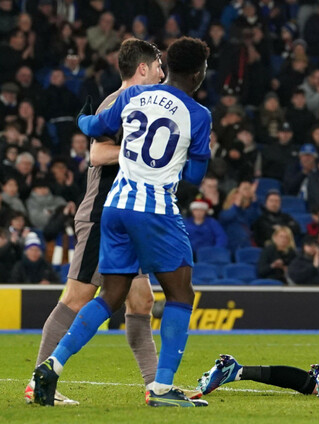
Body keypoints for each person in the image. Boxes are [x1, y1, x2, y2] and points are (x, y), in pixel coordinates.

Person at [32, 37, 212, 408]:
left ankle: (61, 367)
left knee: (134, 300)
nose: (160, 71)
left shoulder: (134, 98)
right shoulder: (182, 109)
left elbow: (91, 125)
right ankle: (159, 387)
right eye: (156, 66)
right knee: (177, 294)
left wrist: (84, 120)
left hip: (117, 207)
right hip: (133, 210)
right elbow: (98, 153)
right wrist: (166, 155)